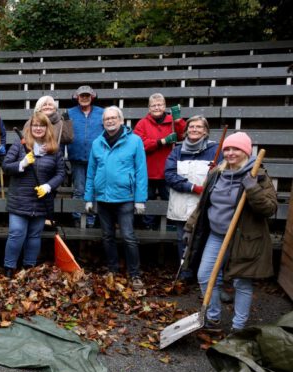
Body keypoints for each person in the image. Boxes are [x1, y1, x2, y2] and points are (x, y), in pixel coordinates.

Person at [183, 132, 277, 332]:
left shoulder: (257, 175)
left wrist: (253, 190)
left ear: (245, 151)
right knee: (205, 275)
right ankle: (213, 318)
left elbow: (269, 208)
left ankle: (238, 327)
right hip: (217, 235)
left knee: (241, 282)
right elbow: (203, 205)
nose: (230, 152)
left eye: (236, 149)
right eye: (227, 148)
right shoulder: (217, 173)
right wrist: (190, 226)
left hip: (244, 238)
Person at [84, 106, 147, 290]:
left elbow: (141, 171)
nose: (110, 121)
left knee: (128, 237)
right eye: (106, 119)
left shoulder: (135, 141)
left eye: (113, 118)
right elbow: (91, 172)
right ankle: (112, 269)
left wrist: (140, 199)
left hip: (125, 198)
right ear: (103, 122)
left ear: (121, 120)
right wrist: (89, 197)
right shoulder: (97, 142)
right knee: (107, 236)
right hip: (103, 198)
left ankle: (135, 274)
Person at [2, 112, 65, 277]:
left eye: (41, 125)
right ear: (30, 127)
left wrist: (48, 186)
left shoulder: (54, 149)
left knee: (34, 235)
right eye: (35, 125)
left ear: (47, 128)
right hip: (19, 199)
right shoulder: (20, 144)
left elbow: (60, 174)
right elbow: (6, 166)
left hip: (41, 200)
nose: (38, 128)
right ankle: (9, 267)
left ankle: (29, 267)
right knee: (16, 232)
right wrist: (22, 164)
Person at [164, 116, 221, 281]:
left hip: (205, 206)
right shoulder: (177, 151)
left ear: (205, 131)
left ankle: (204, 276)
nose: (194, 129)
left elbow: (223, 174)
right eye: (191, 127)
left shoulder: (216, 150)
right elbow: (169, 174)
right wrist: (192, 187)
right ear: (186, 130)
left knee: (204, 241)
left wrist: (214, 175)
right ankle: (185, 274)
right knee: (184, 241)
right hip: (181, 205)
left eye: (199, 127)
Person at [133, 93, 186, 230]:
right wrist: (161, 141)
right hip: (148, 171)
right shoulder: (142, 123)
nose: (157, 107)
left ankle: (170, 225)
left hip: (167, 170)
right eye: (153, 105)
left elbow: (182, 135)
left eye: (160, 105)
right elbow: (139, 144)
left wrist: (178, 119)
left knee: (169, 200)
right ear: (149, 108)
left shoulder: (172, 121)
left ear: (164, 106)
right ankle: (147, 226)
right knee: (147, 200)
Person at [65, 85, 104, 228]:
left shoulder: (102, 112)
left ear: (92, 97)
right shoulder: (69, 113)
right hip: (76, 158)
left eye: (87, 95)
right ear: (77, 97)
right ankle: (77, 218)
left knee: (93, 189)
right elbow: (64, 135)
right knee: (79, 190)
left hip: (97, 158)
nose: (85, 98)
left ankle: (91, 220)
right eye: (82, 96)